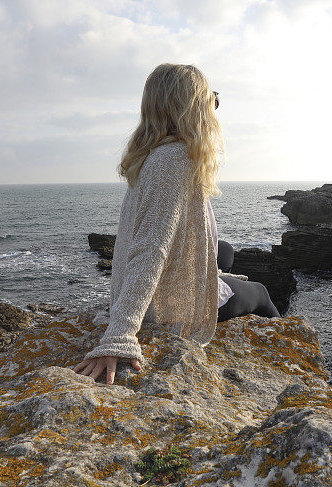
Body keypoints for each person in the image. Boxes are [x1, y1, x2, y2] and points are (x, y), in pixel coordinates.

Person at [71, 63, 279, 385]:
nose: (215, 108)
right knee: (262, 293)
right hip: (165, 307)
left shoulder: (151, 155)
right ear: (193, 108)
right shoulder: (174, 161)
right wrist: (121, 332)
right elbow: (150, 249)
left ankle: (214, 275)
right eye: (211, 100)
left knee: (224, 252)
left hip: (151, 285)